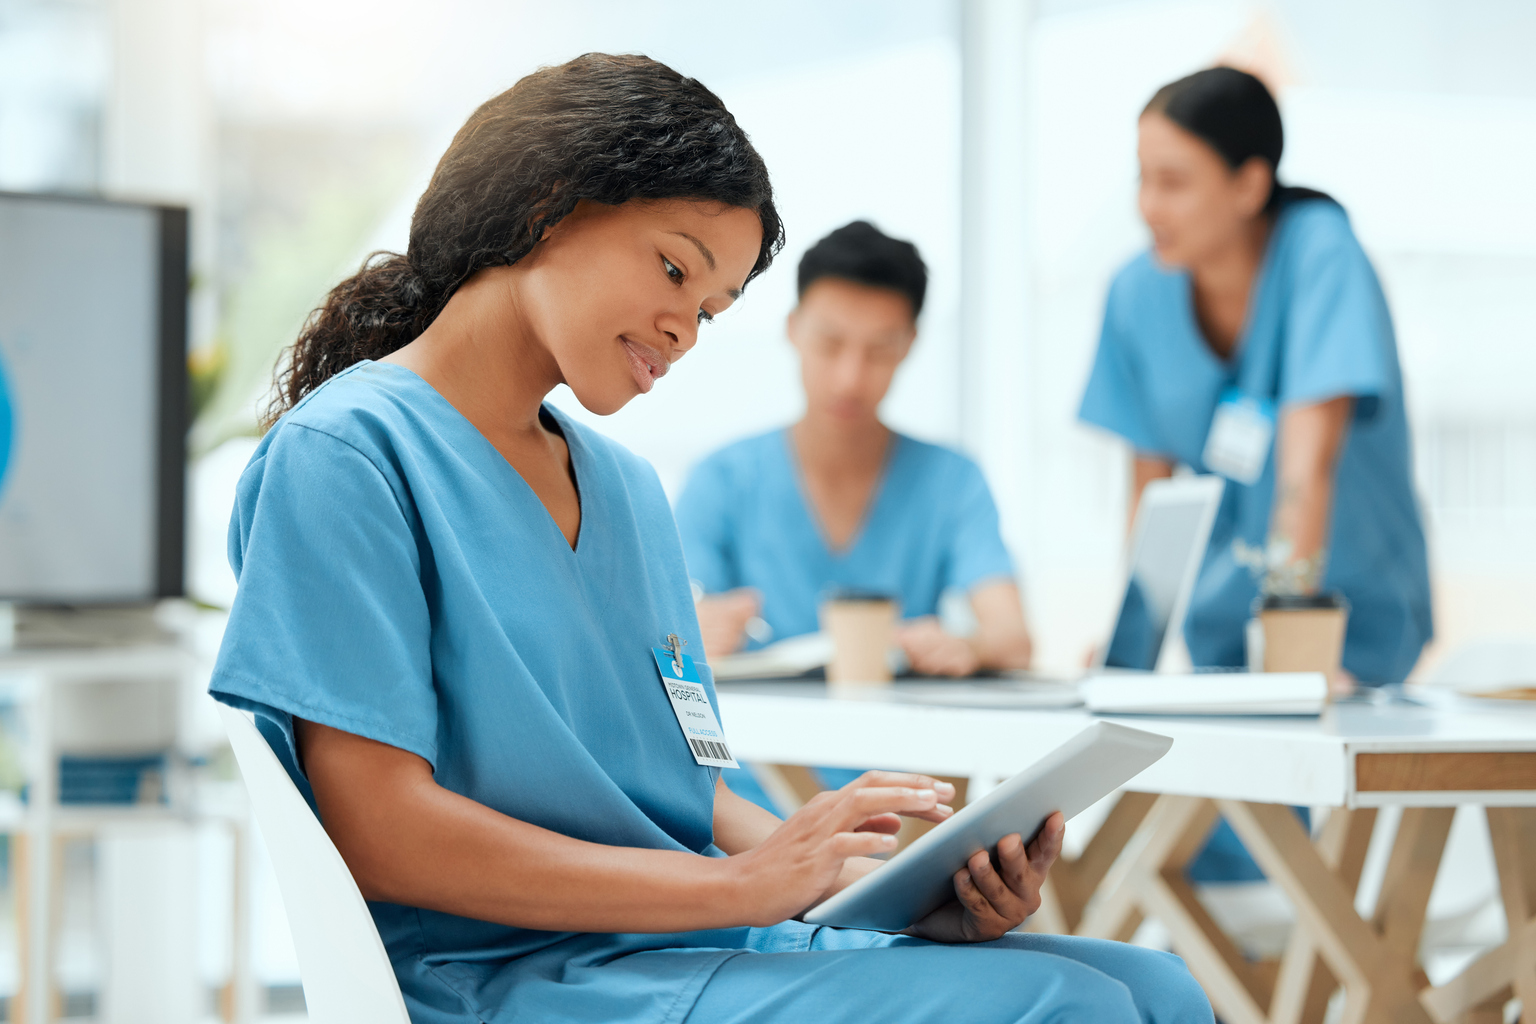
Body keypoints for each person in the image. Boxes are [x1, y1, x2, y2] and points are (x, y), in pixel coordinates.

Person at [210, 54, 1211, 1024]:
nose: (684, 329)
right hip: (514, 976)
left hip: (695, 947)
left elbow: (698, 785)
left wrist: (872, 883)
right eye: (674, 266)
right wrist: (739, 890)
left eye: (709, 307)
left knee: (1160, 990)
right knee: (1069, 1006)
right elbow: (381, 832)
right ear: (548, 203)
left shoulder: (630, 492)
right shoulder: (347, 456)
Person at [1078, 66, 1431, 879]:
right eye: (1142, 179)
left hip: (1344, 632)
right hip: (1218, 653)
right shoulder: (1137, 294)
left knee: (1314, 867)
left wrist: (1295, 644)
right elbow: (1151, 494)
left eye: (1173, 182)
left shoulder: (1320, 256)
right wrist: (1132, 648)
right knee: (1166, 863)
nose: (1147, 206)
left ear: (1248, 184)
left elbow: (1307, 471)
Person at [677, 221, 1033, 680]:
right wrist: (694, 633)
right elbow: (668, 625)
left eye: (880, 350)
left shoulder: (952, 481)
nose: (850, 378)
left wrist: (970, 645)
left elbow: (1014, 638)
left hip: (897, 742)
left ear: (909, 346)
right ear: (793, 330)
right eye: (830, 343)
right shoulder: (722, 480)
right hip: (759, 748)